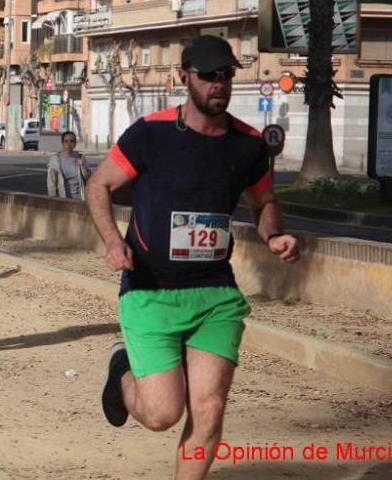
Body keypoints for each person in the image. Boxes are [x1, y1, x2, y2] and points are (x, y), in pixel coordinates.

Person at [84, 35, 300, 480]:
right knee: (162, 414)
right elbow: (98, 185)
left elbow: (263, 202)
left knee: (209, 409)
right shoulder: (151, 134)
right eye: (208, 76)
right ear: (184, 78)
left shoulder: (248, 144)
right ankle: (122, 372)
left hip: (215, 295)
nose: (219, 84)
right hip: (150, 291)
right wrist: (111, 240)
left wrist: (274, 234)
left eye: (226, 75)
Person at [46, 131, 90, 200]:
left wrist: (83, 166)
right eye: (66, 141)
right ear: (62, 143)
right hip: (64, 198)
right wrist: (53, 200)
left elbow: (88, 177)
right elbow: (51, 184)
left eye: (71, 141)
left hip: (80, 198)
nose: (69, 144)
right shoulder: (55, 160)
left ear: (75, 143)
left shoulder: (80, 157)